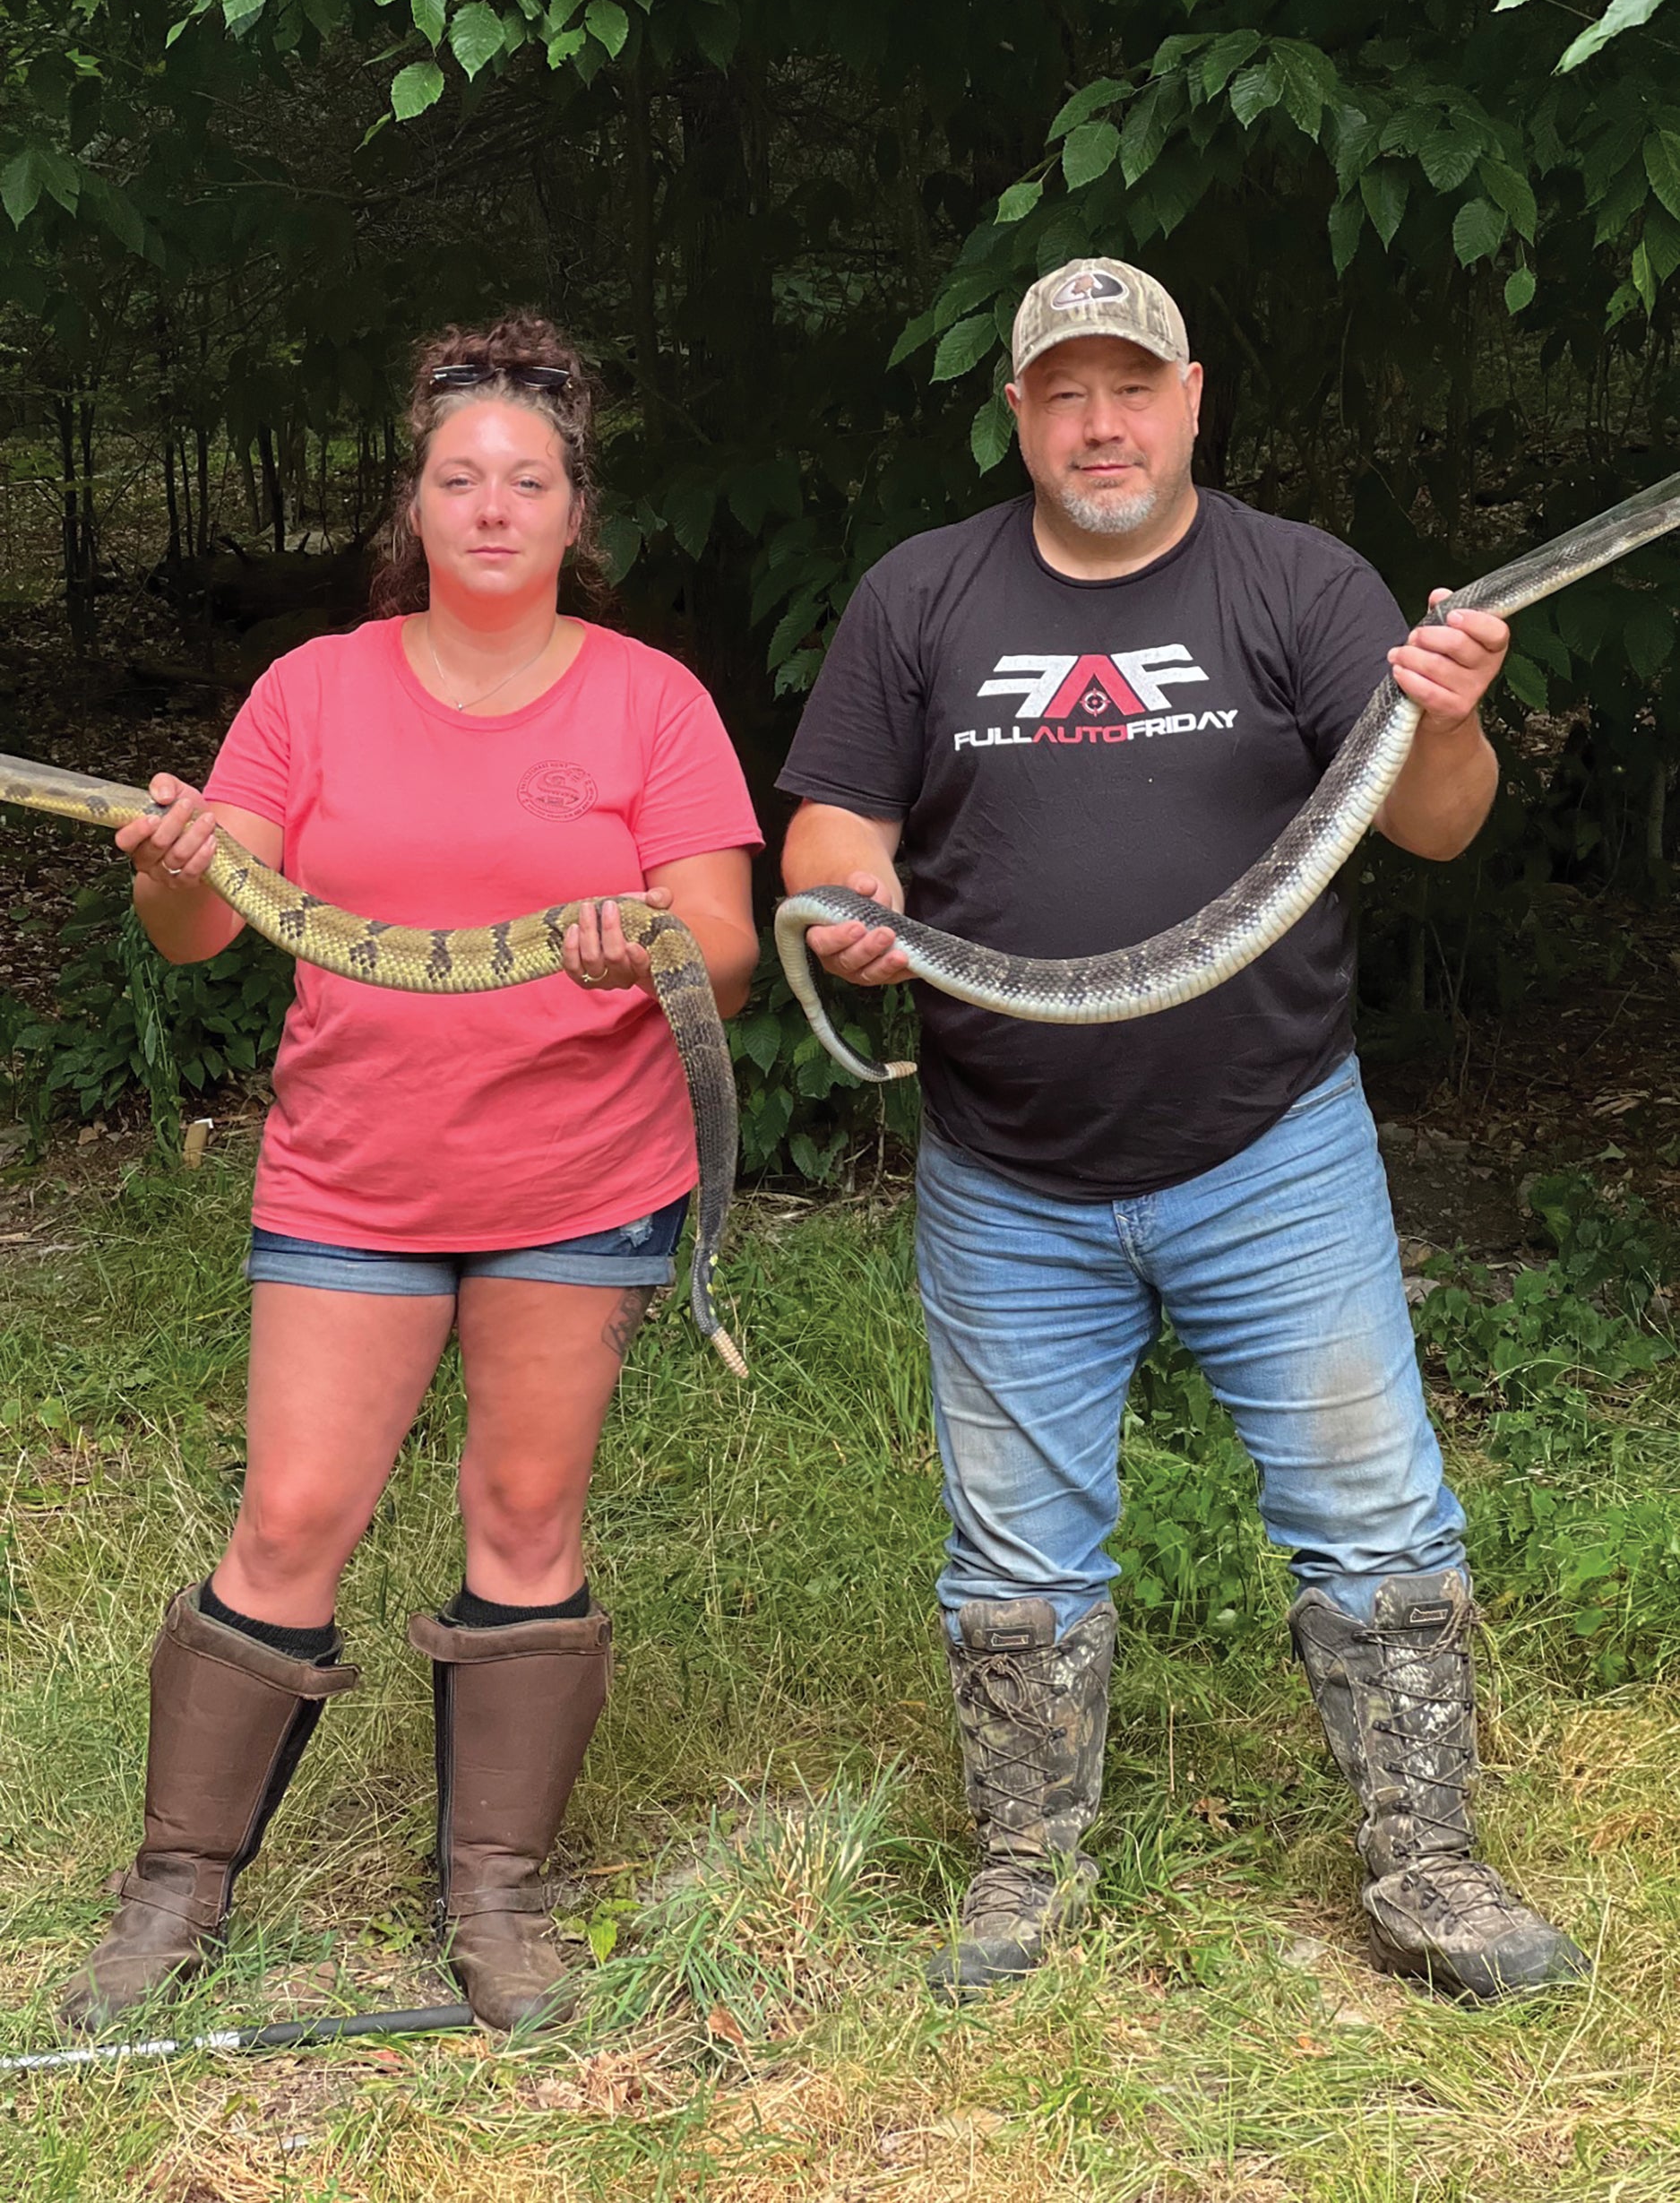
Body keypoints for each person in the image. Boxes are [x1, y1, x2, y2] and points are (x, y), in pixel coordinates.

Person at [778, 258, 1586, 2004]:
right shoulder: (919, 597)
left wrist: (1442, 716)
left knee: (1373, 1513)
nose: (1098, 422)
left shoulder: (1296, 584)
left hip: (1271, 1146)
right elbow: (832, 825)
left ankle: (1427, 1861)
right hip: (1007, 1166)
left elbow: (1436, 826)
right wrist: (849, 898)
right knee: (1011, 1542)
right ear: (1017, 416)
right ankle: (1019, 1864)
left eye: (1126, 387)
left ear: (1189, 397)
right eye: (1063, 392)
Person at [61, 315, 762, 2035]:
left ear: (573, 507)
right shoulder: (313, 691)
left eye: (529, 480)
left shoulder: (648, 699)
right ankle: (176, 1891)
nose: (495, 505)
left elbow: (729, 953)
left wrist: (645, 947)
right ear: (418, 504)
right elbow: (200, 926)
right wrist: (174, 861)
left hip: (580, 1173)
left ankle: (499, 1901)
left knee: (525, 1518)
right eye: (463, 477)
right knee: (292, 1516)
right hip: (349, 1179)